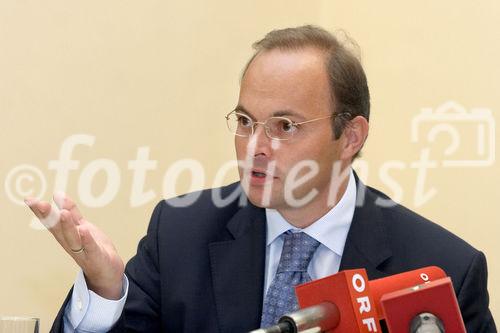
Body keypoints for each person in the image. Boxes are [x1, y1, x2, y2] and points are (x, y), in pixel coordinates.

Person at [26, 25, 496, 332]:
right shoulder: (180, 234)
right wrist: (107, 289)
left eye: (284, 126)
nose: (255, 146)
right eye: (246, 121)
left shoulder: (442, 268)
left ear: (350, 136)